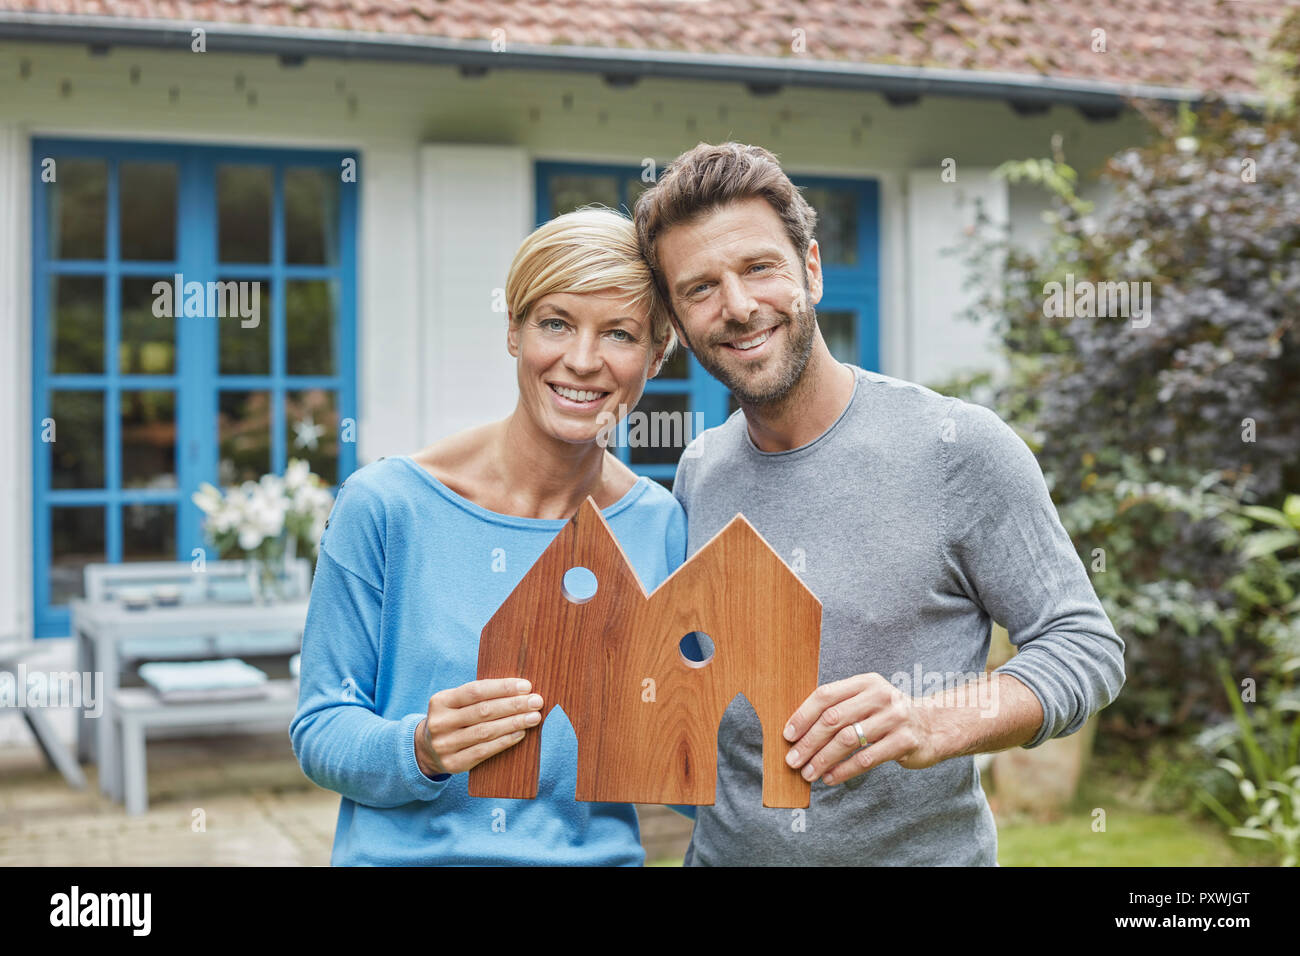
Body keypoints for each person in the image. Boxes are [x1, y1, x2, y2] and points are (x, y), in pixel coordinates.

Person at [632, 142, 1127, 866]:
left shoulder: (960, 447)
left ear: (811, 270)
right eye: (700, 288)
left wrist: (933, 722)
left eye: (759, 268)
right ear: (677, 318)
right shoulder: (699, 470)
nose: (737, 306)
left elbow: (1085, 648)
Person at [290, 208, 683, 865]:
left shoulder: (659, 525)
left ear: (656, 355)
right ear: (514, 331)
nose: (581, 361)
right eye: (555, 323)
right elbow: (320, 727)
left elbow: (685, 748)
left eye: (619, 334)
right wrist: (418, 748)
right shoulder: (387, 506)